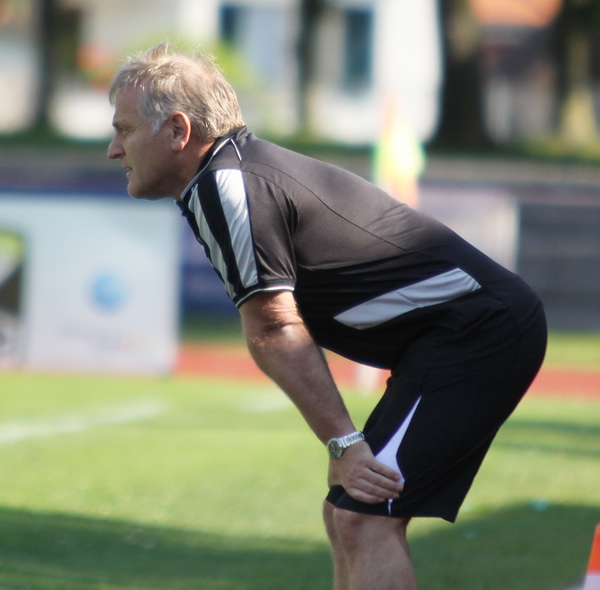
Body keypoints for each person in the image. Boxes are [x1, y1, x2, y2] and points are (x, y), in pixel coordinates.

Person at [107, 42, 547, 590]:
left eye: (124, 130)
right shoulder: (228, 175)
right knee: (345, 513)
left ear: (178, 130)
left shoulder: (229, 184)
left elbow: (274, 327)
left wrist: (344, 442)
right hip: (455, 334)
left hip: (479, 332)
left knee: (365, 518)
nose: (114, 149)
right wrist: (344, 445)